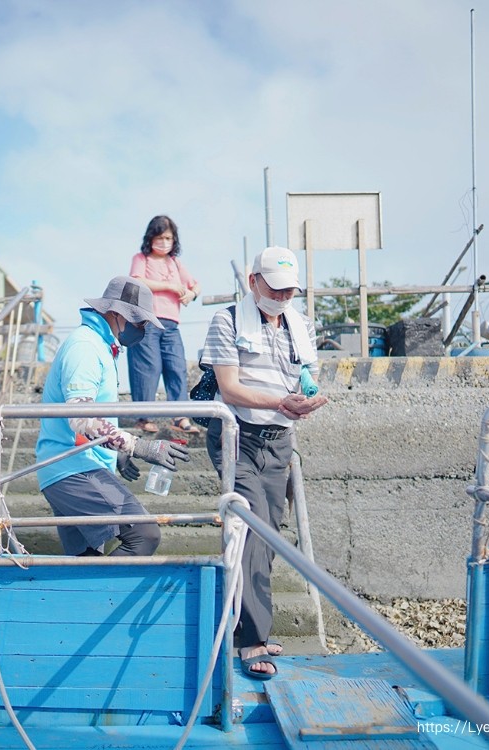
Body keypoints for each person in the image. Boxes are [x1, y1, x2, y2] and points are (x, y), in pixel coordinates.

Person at [200, 247, 329, 680]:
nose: (282, 297)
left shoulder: (299, 323)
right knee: (252, 530)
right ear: (253, 281)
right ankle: (251, 640)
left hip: (279, 439)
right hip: (238, 437)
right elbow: (230, 388)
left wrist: (308, 391)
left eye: (290, 290)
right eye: (275, 288)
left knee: (269, 535)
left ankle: (248, 623)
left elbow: (305, 370)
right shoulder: (227, 321)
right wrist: (281, 401)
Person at [36, 275, 191, 557]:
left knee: (86, 563)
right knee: (144, 535)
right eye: (139, 321)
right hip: (74, 468)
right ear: (118, 314)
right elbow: (80, 416)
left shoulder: (102, 346)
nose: (142, 328)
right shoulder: (86, 347)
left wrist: (113, 453)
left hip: (72, 466)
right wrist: (138, 446)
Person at [127, 215, 202, 435]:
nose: (164, 242)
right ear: (150, 238)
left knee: (176, 367)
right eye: (159, 238)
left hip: (171, 325)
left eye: (168, 238)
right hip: (146, 321)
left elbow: (196, 285)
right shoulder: (141, 258)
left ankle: (180, 416)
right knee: (147, 369)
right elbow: (137, 280)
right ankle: (143, 418)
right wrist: (169, 286)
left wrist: (191, 294)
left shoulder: (176, 263)